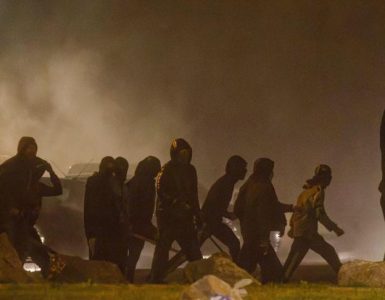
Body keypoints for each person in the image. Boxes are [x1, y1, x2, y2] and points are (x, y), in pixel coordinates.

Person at [0, 137, 63, 278]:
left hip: (26, 222)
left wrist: (51, 172)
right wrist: (11, 209)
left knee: (33, 249)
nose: (32, 152)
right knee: (20, 249)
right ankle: (14, 276)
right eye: (29, 149)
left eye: (34, 149)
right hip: (12, 221)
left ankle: (51, 274)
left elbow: (58, 190)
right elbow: (4, 192)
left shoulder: (36, 186)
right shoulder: (11, 171)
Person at [149, 138, 202, 283]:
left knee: (194, 251)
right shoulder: (166, 169)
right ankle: (156, 280)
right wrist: (176, 202)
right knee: (162, 250)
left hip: (185, 218)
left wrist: (198, 215)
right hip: (168, 218)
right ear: (175, 154)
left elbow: (193, 194)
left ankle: (200, 280)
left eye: (187, 153)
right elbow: (161, 190)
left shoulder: (191, 170)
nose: (184, 157)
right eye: (182, 153)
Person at [282, 164, 344, 282]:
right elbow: (320, 214)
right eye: (329, 177)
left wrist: (292, 228)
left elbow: (296, 211)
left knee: (294, 259)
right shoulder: (318, 192)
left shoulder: (305, 192)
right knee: (327, 252)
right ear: (326, 178)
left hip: (302, 231)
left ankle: (280, 281)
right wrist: (335, 228)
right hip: (307, 233)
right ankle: (344, 275)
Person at [236, 158, 294, 283]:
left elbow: (237, 209)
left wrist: (291, 208)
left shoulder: (248, 184)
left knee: (247, 264)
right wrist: (263, 239)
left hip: (248, 231)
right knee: (273, 270)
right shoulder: (265, 186)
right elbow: (265, 212)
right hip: (258, 235)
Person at [84, 156, 127, 273]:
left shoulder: (97, 181)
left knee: (100, 264)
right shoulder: (105, 182)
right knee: (104, 263)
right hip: (104, 230)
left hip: (104, 230)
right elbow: (90, 208)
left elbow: (88, 209)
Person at [200, 155, 247, 260]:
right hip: (211, 221)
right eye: (243, 168)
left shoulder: (227, 182)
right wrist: (228, 215)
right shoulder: (226, 183)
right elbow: (214, 204)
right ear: (236, 169)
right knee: (234, 244)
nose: (245, 171)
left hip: (210, 220)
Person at [125, 156, 161, 282]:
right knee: (135, 253)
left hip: (133, 223)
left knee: (131, 255)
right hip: (139, 224)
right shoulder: (146, 183)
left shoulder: (134, 181)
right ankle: (155, 276)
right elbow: (140, 206)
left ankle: (128, 278)